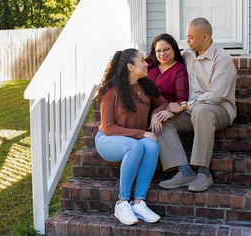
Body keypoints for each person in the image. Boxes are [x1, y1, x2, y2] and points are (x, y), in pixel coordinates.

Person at [157, 17, 237, 192]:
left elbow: (215, 96)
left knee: (201, 110)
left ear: (205, 37)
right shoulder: (188, 54)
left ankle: (203, 173)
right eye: (187, 37)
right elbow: (164, 62)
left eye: (191, 37)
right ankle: (184, 171)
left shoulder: (223, 59)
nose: (187, 41)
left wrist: (184, 106)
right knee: (162, 122)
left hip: (221, 109)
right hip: (193, 109)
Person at [94, 48, 168, 225]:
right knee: (136, 145)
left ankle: (138, 203)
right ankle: (122, 202)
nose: (146, 64)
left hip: (133, 138)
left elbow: (163, 102)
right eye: (142, 60)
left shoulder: (145, 86)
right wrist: (142, 133)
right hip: (108, 139)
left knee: (151, 146)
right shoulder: (111, 91)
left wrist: (156, 114)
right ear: (130, 66)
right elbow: (109, 128)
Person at [145, 33, 189, 104]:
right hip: (145, 107)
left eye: (166, 49)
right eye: (158, 51)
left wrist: (170, 111)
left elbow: (181, 99)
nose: (162, 54)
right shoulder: (148, 65)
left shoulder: (179, 69)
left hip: (165, 110)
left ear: (174, 49)